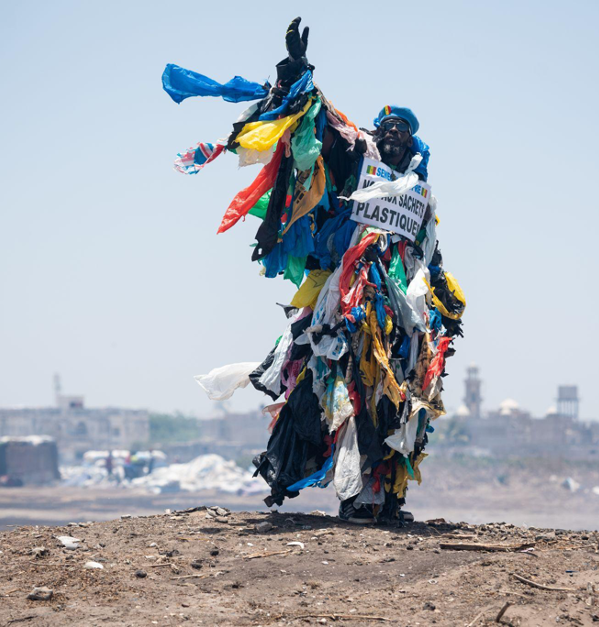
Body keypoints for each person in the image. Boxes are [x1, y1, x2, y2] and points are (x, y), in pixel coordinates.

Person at [164, 18, 466, 524]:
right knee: (344, 393)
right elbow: (321, 126)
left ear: (413, 144)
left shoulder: (419, 191)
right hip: (345, 302)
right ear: (376, 134)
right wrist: (299, 69)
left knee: (397, 401)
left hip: (401, 319)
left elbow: (428, 252)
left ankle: (388, 499)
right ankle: (352, 496)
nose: (391, 137)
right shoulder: (358, 157)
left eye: (402, 133)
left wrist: (442, 303)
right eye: (386, 129)